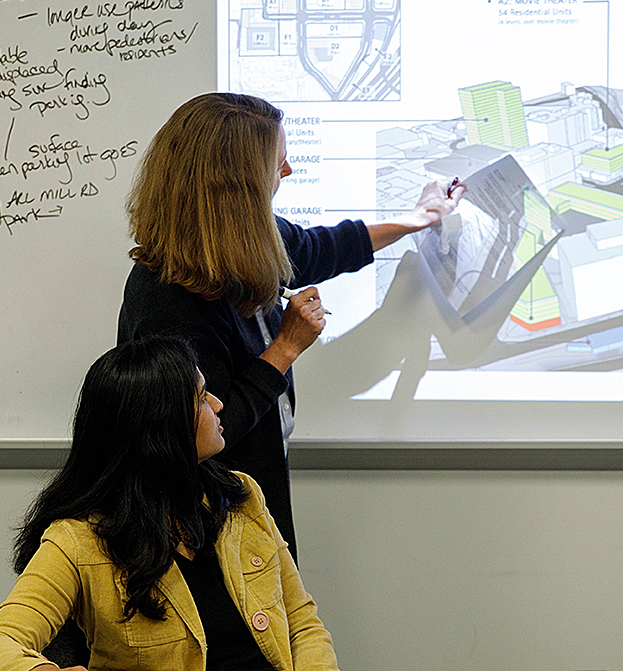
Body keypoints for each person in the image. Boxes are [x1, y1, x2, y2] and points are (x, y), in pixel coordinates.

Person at [117, 92, 463, 558]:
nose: (287, 173)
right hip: (206, 527)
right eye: (276, 164)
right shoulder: (168, 299)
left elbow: (319, 249)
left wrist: (415, 220)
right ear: (236, 184)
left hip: (253, 499)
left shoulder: (247, 239)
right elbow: (206, 433)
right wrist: (285, 348)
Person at [0, 336, 339, 671]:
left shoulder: (240, 495)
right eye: (201, 396)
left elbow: (301, 624)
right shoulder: (78, 539)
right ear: (161, 426)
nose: (218, 404)